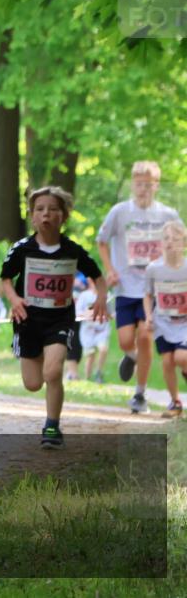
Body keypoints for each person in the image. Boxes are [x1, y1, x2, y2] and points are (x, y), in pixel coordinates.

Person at [1, 186, 108, 449]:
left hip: (59, 320)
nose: (46, 214)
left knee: (53, 371)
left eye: (53, 209)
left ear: (64, 216)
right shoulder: (23, 249)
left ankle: (52, 425)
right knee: (33, 383)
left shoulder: (72, 250)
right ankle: (38, 359)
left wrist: (101, 299)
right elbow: (5, 278)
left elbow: (98, 277)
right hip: (27, 320)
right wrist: (14, 299)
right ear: (32, 216)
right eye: (40, 209)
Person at [97, 161, 181, 413]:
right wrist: (110, 269)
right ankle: (130, 356)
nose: (142, 189)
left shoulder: (167, 215)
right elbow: (101, 241)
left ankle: (140, 394)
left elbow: (179, 243)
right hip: (124, 288)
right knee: (125, 341)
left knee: (145, 336)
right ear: (133, 185)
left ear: (156, 185)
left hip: (154, 290)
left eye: (147, 184)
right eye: (138, 184)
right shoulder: (120, 212)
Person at [144, 220, 187, 419]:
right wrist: (148, 317)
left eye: (176, 239)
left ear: (184, 243)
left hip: (184, 323)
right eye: (166, 238)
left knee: (181, 358)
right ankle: (175, 402)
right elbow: (148, 295)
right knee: (168, 361)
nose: (170, 242)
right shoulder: (153, 269)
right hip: (162, 322)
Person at [75, 273, 111, 384]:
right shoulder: (84, 296)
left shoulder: (107, 295)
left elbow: (111, 314)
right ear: (90, 282)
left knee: (103, 349)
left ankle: (98, 372)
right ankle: (87, 378)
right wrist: (89, 315)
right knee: (90, 356)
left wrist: (106, 315)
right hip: (88, 330)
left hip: (101, 329)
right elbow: (77, 314)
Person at [63, 274, 88, 381]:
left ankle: (71, 372)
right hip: (65, 314)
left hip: (80, 316)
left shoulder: (83, 275)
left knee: (77, 343)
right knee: (70, 342)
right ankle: (72, 373)